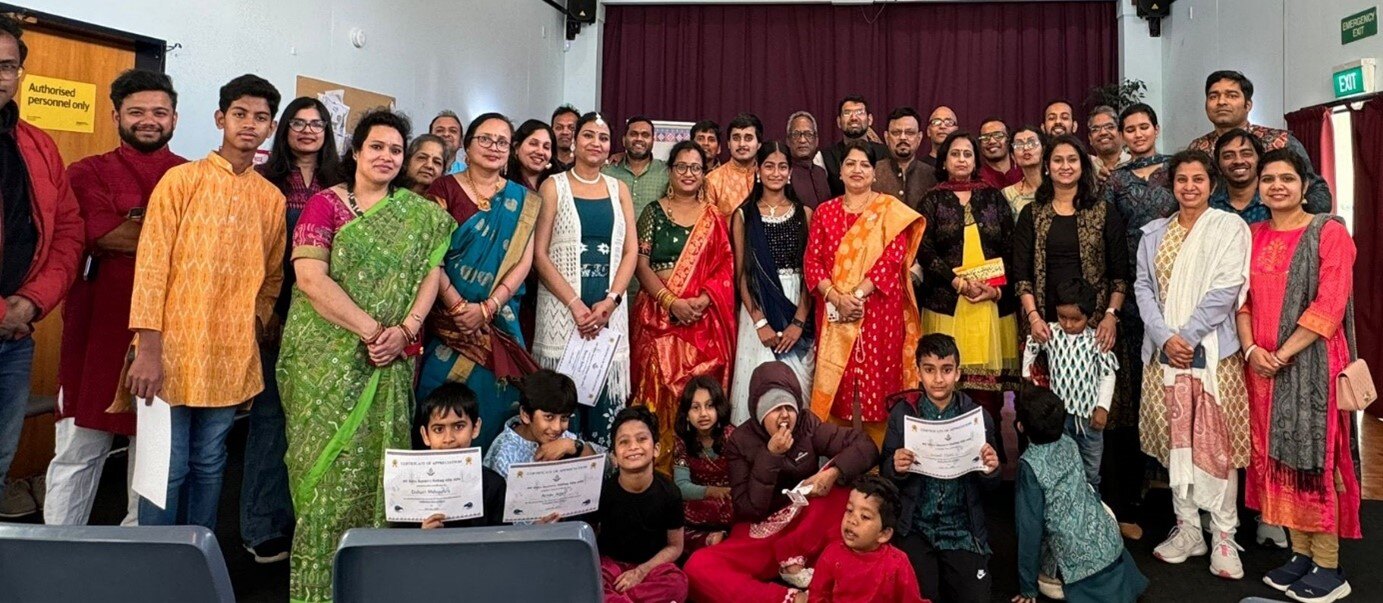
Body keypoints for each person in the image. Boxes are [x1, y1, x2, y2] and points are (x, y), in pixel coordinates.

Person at [277, 109, 454, 602]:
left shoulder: (421, 217)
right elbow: (311, 280)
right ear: (356, 151)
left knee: (380, 467)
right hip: (324, 360)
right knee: (321, 472)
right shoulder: (323, 207)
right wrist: (375, 331)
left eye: (396, 150)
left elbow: (429, 275)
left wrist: (407, 330)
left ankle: (373, 585)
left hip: (391, 361)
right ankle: (318, 589)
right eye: (377, 147)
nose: (386, 157)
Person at [119, 74, 284, 533]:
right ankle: (155, 565)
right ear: (220, 119)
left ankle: (198, 560)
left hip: (229, 354)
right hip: (170, 351)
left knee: (211, 461)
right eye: (240, 115)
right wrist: (147, 349)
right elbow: (151, 267)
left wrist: (252, 325)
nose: (249, 125)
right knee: (166, 467)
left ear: (270, 128)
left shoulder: (270, 199)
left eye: (260, 118)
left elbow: (272, 276)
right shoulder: (180, 181)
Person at [44, 69, 184, 528]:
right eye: (137, 111)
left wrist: (138, 227)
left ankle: (133, 561)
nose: (149, 120)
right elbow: (106, 235)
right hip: (95, 334)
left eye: (159, 112)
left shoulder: (192, 177)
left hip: (168, 337)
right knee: (78, 450)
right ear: (116, 116)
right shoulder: (86, 172)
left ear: (175, 119)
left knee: (151, 461)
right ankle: (54, 556)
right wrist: (179, 240)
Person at [1237, 150, 1360, 603]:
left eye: (1287, 178)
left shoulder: (1328, 232)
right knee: (1277, 458)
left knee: (1313, 462)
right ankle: (1300, 554)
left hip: (1312, 368)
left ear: (1306, 186)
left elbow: (1330, 305)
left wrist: (1282, 353)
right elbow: (1242, 301)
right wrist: (1252, 350)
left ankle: (1328, 566)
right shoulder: (1252, 234)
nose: (1277, 186)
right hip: (1263, 369)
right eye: (1268, 179)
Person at [1133, 150, 1251, 580]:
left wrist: (1189, 335)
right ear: (1172, 185)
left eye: (1198, 179)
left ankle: (1223, 533)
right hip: (1164, 356)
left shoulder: (1227, 228)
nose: (1189, 187)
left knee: (1215, 446)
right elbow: (1143, 287)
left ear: (1212, 185)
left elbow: (1227, 287)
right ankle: (1187, 529)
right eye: (1181, 180)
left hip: (1213, 357)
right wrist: (1166, 337)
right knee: (1175, 440)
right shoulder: (1153, 234)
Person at [684, 361, 879, 603]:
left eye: (790, 407)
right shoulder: (740, 441)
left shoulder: (807, 425)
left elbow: (865, 445)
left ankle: (807, 566)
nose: (785, 415)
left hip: (806, 523)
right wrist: (771, 455)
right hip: (763, 531)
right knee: (699, 567)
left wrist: (832, 473)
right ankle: (791, 598)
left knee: (845, 486)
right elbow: (748, 508)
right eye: (775, 408)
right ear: (759, 412)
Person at [239, 95, 340, 562]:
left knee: (320, 423)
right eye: (297, 124)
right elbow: (253, 258)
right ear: (283, 131)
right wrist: (267, 312)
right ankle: (262, 525)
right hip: (275, 315)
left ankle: (313, 520)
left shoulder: (341, 183)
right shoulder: (263, 182)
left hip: (332, 317)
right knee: (271, 422)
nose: (306, 131)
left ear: (327, 131)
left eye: (315, 124)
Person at [0, 17, 83, 517]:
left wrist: (32, 302)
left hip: (15, 338)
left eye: (8, 65)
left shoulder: (38, 145)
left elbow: (68, 232)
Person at [417, 113, 538, 450]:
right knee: (439, 397)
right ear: (466, 146)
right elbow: (431, 256)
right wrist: (458, 305)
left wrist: (488, 307)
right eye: (485, 139)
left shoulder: (523, 199)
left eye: (502, 141)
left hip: (499, 321)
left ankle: (493, 487)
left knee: (499, 403)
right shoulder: (443, 189)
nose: (493, 147)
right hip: (447, 320)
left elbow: (524, 260)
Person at [806, 140, 926, 446]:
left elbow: (893, 258)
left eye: (864, 165)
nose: (857, 170)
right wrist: (837, 298)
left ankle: (881, 462)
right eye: (850, 164)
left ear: (874, 173)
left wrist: (856, 297)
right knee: (839, 384)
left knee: (880, 384)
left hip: (878, 312)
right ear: (841, 172)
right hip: (835, 314)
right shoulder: (824, 212)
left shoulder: (889, 211)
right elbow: (813, 261)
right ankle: (836, 455)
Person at [534, 112, 638, 449]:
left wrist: (612, 301)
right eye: (589, 136)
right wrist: (575, 305)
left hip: (609, 317)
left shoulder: (618, 188)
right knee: (563, 407)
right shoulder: (553, 186)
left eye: (603, 138)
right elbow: (540, 254)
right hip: (565, 316)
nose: (596, 143)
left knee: (605, 412)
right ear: (574, 142)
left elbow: (631, 252)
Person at [632, 140, 736, 470]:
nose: (689, 174)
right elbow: (640, 263)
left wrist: (703, 300)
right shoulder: (654, 211)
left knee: (699, 399)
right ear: (670, 170)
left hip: (704, 323)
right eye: (682, 167)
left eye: (696, 168)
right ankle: (656, 470)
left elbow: (725, 267)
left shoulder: (714, 218)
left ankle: (698, 474)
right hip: (658, 318)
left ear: (704, 173)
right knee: (657, 394)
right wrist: (670, 301)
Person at [1100, 103, 1177, 540]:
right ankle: (1136, 482)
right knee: (1135, 386)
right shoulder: (1116, 180)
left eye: (1143, 126)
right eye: (1129, 129)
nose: (1137, 134)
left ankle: (1177, 485)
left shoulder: (1177, 170)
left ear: (1156, 128)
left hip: (1175, 283)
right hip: (1129, 288)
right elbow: (1110, 233)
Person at [881, 334, 1001, 603]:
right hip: (916, 528)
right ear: (918, 372)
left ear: (958, 373)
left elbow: (991, 487)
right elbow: (886, 474)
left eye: (946, 370)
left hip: (962, 529)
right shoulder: (903, 414)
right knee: (919, 597)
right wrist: (895, 466)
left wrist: (991, 469)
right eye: (929, 369)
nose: (938, 379)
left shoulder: (977, 417)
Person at [917, 131, 1018, 442]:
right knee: (946, 381)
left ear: (976, 161)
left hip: (990, 303)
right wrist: (957, 282)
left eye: (967, 154)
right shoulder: (932, 199)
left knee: (988, 393)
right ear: (944, 161)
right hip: (947, 302)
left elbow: (1012, 247)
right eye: (955, 154)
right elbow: (924, 249)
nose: (961, 159)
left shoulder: (993, 196)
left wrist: (996, 291)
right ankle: (948, 450)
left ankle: (991, 449)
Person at [1012, 385, 1149, 603]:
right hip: (1110, 545)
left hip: (1074, 565)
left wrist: (1027, 587)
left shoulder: (1030, 465)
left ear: (1020, 426)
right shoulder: (1069, 442)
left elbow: (1029, 527)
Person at [1013, 135, 1128, 352]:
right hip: (1044, 326)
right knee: (1045, 386)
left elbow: (1120, 275)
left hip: (1097, 328)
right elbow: (1021, 275)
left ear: (1083, 166)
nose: (1065, 166)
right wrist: (1034, 317)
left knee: (1100, 385)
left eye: (1072, 160)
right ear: (1047, 166)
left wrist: (1111, 316)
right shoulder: (1032, 214)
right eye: (1058, 160)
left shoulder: (1104, 212)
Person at [730, 141, 814, 424]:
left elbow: (811, 274)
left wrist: (798, 322)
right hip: (758, 308)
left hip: (795, 307)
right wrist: (759, 322)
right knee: (758, 383)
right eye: (769, 166)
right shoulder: (744, 215)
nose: (775, 173)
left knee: (798, 390)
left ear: (790, 172)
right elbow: (742, 274)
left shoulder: (805, 214)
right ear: (757, 170)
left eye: (782, 167)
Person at [1186, 71, 1331, 215]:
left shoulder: (1280, 142)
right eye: (1213, 96)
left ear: (1248, 105)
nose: (1221, 102)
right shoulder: (1197, 150)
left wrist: (1290, 220)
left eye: (1231, 95)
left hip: (1275, 231)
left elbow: (1318, 192)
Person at [1020, 278, 1118, 486]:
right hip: (1058, 417)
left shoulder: (1096, 340)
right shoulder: (1052, 332)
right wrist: (1027, 376)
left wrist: (1102, 408)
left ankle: (1091, 506)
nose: (1068, 324)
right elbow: (1032, 345)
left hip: (1088, 418)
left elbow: (1107, 374)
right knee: (1060, 464)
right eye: (1062, 317)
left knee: (1090, 468)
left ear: (1088, 316)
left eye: (1075, 319)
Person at [596, 407, 690, 603]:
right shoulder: (602, 492)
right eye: (624, 442)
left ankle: (624, 600)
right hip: (613, 567)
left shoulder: (670, 492)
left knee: (677, 583)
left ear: (656, 449)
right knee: (592, 582)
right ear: (614, 456)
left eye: (641, 439)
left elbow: (675, 546)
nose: (633, 447)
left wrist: (641, 572)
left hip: (652, 567)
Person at [808, 476, 926, 603]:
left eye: (864, 516)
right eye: (849, 510)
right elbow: (817, 596)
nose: (852, 520)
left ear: (884, 534)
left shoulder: (897, 563)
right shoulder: (831, 554)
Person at [405, 382, 506, 529]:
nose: (449, 439)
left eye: (459, 426)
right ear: (425, 435)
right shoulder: (410, 488)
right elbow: (400, 544)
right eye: (438, 429)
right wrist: (421, 534)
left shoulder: (494, 485)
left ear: (475, 428)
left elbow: (502, 541)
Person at [483, 369, 605, 479]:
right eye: (549, 417)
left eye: (564, 418)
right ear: (525, 414)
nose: (557, 428)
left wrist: (573, 447)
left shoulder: (565, 439)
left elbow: (610, 462)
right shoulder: (504, 456)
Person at [672, 376, 735, 553]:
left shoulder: (732, 437)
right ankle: (711, 539)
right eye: (695, 407)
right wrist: (710, 491)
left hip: (730, 505)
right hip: (696, 509)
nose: (703, 414)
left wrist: (724, 493)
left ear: (719, 408)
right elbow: (681, 486)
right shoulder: (682, 441)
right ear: (686, 413)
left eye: (709, 406)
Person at [604, 115, 669, 222]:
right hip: (614, 237)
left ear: (653, 141)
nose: (639, 139)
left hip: (653, 238)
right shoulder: (607, 171)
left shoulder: (666, 172)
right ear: (624, 140)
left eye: (645, 135)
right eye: (633, 134)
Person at [822, 96, 889, 196]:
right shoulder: (825, 157)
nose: (853, 118)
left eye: (859, 113)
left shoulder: (885, 153)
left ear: (869, 119)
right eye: (847, 113)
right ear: (839, 122)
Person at [872, 107, 937, 210]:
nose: (903, 137)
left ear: (919, 138)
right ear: (886, 137)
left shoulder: (933, 176)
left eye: (909, 133)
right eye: (896, 133)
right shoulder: (872, 172)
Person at [1208, 128, 1271, 223]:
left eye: (1246, 154)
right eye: (1228, 156)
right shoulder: (1209, 205)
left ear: (1260, 160)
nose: (1238, 161)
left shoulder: (1274, 200)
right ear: (1218, 164)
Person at [706, 113, 763, 217]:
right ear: (728, 143)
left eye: (748, 138)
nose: (741, 144)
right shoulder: (712, 180)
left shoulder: (768, 177)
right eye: (736, 138)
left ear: (759, 144)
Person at [786, 111, 831, 209]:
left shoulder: (821, 172)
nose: (802, 140)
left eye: (808, 134)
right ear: (788, 141)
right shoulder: (784, 173)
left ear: (816, 141)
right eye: (796, 134)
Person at [1001, 126, 1044, 221]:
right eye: (1019, 145)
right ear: (1013, 157)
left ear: (1043, 151)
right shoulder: (1008, 194)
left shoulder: (1058, 187)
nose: (1026, 148)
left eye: (1031, 143)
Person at [508, 119, 556, 192]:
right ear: (516, 147)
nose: (540, 152)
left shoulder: (558, 184)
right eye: (533, 144)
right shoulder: (503, 183)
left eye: (546, 147)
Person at [1087, 105, 1128, 185]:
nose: (1103, 132)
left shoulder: (1135, 164)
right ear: (1090, 139)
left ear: (1120, 134)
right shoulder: (1085, 169)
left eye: (1109, 127)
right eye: (1096, 129)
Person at [977, 118, 1022, 189]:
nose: (992, 141)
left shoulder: (1024, 172)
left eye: (998, 136)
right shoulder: (977, 180)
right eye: (985, 137)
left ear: (1008, 140)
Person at [429, 110, 465, 174]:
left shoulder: (469, 174)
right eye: (439, 130)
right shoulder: (417, 168)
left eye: (453, 131)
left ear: (461, 142)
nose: (446, 134)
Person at [551, 104, 581, 171]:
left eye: (572, 128)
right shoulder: (544, 163)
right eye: (559, 128)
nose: (565, 132)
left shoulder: (585, 164)